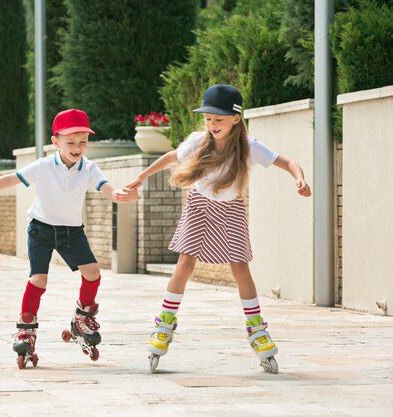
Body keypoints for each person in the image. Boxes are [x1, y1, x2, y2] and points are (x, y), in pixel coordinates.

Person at [124, 84, 311, 373]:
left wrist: (299, 179)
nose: (212, 125)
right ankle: (164, 325)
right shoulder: (199, 141)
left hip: (231, 209)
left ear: (236, 118)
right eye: (209, 119)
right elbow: (172, 157)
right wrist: (141, 176)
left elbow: (287, 162)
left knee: (240, 266)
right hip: (198, 204)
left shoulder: (250, 147)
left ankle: (257, 329)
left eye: (219, 120)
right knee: (185, 263)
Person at [0, 109, 137, 368]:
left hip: (72, 231)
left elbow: (105, 185)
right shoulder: (43, 166)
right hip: (41, 229)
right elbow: (9, 179)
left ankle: (82, 318)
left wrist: (116, 193)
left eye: (82, 142)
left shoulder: (89, 167)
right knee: (38, 278)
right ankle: (26, 328)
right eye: (70, 142)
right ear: (56, 141)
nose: (77, 147)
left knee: (93, 272)